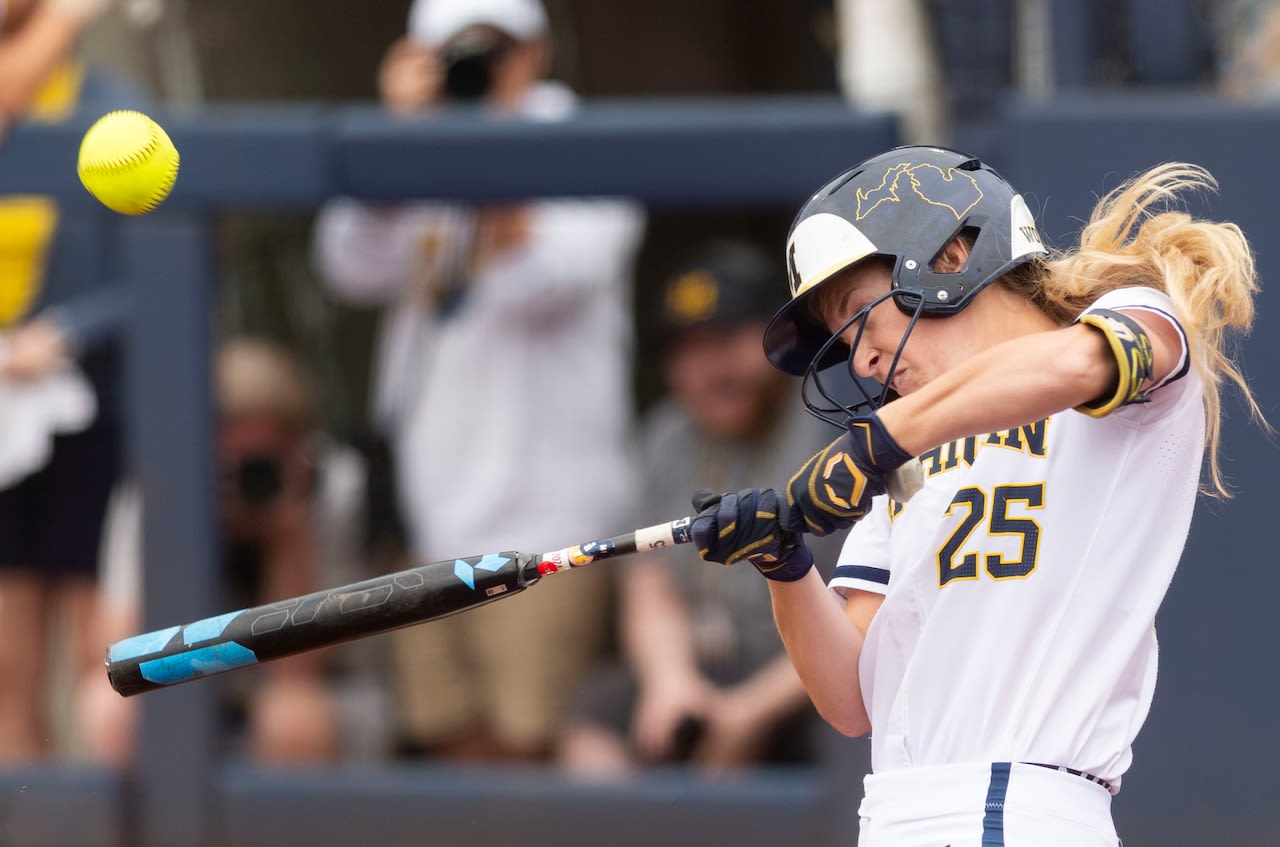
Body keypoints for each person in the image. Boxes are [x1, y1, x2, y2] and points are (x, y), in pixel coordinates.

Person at [687, 146, 1263, 845]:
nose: (862, 360)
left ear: (950, 257)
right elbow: (851, 700)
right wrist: (785, 563)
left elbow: (1081, 360)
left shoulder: (1130, 320)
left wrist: (880, 440)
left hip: (1017, 801)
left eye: (860, 317)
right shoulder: (906, 452)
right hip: (895, 810)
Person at [311, 0, 643, 762]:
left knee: (533, 741)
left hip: (550, 507)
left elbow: (546, 280)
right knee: (448, 735)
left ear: (535, 52)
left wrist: (482, 148)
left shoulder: (582, 143)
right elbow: (347, 266)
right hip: (431, 505)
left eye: (491, 48)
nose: (477, 69)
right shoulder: (416, 146)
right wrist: (400, 137)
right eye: (455, 52)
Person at [558, 241, 844, 777]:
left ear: (780, 341)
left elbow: (864, 613)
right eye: (687, 351)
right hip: (705, 663)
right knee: (598, 714)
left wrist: (748, 715)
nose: (707, 370)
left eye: (725, 341)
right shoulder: (670, 435)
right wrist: (671, 683)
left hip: (807, 670)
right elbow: (650, 587)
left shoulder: (831, 426)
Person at [87, 338, 392, 765]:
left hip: (323, 693)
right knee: (112, 711)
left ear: (298, 447)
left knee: (292, 717)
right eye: (228, 460)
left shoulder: (332, 483)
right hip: (194, 688)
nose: (245, 478)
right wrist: (186, 530)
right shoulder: (160, 484)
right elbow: (119, 651)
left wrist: (288, 538)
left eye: (261, 461)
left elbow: (301, 668)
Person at [0, 0, 141, 764]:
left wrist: (69, 333)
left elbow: (163, 273)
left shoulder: (117, 108)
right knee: (6, 674)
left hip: (97, 419)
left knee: (111, 670)